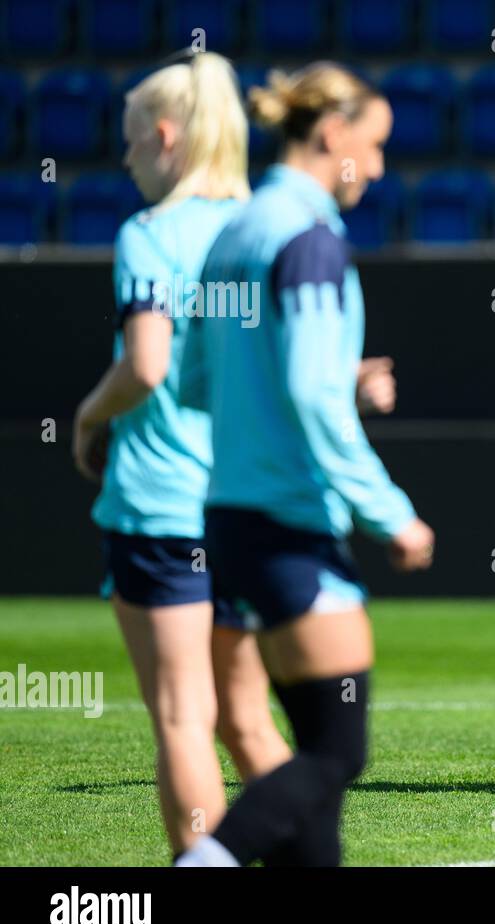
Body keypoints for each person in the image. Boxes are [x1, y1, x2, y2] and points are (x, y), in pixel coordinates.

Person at [174, 62, 434, 867]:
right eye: (378, 145)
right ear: (333, 135)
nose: (383, 166)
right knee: (335, 751)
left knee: (309, 790)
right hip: (291, 525)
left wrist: (322, 381)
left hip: (229, 520)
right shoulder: (312, 240)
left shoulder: (232, 233)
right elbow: (314, 397)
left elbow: (196, 381)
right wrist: (390, 513)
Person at [72, 51, 293, 859]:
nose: (125, 159)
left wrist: (88, 417)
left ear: (165, 136)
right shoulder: (265, 229)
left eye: (131, 143)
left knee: (181, 715)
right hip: (252, 504)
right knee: (246, 718)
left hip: (163, 503)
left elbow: (147, 364)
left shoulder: (149, 234)